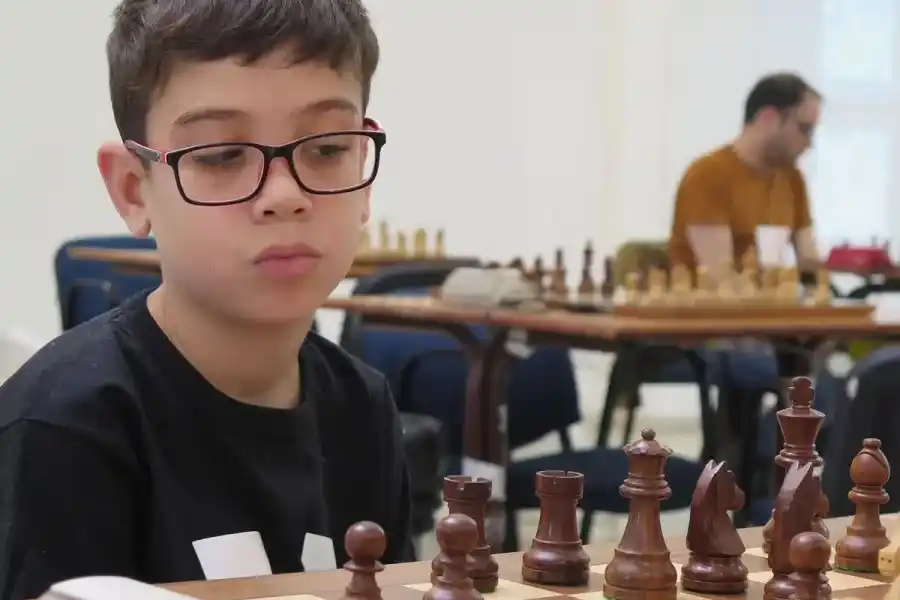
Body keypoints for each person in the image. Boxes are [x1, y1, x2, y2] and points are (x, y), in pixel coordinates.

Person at [0, 0, 413, 597]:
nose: (284, 194)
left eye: (326, 149)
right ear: (132, 189)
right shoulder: (65, 427)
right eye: (220, 155)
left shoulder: (363, 407)